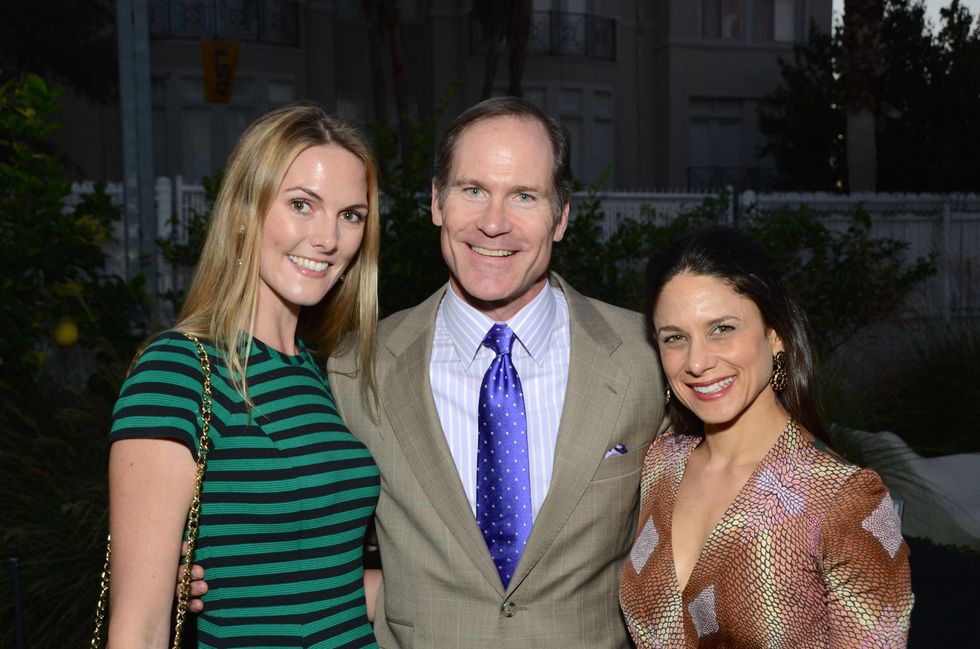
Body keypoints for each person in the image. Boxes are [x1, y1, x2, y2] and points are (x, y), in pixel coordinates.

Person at [324, 96, 665, 648]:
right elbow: (307, 528)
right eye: (473, 189)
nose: (493, 222)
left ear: (561, 216)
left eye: (524, 196)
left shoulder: (646, 358)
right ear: (437, 201)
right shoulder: (355, 369)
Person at [106, 102, 383, 648]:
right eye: (302, 204)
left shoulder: (319, 375)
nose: (328, 238)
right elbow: (138, 628)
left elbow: (331, 587)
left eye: (350, 214)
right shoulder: (177, 372)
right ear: (244, 211)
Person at [619, 226, 914, 647]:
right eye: (675, 338)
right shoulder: (660, 464)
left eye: (722, 329)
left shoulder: (843, 500)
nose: (697, 361)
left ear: (774, 337)